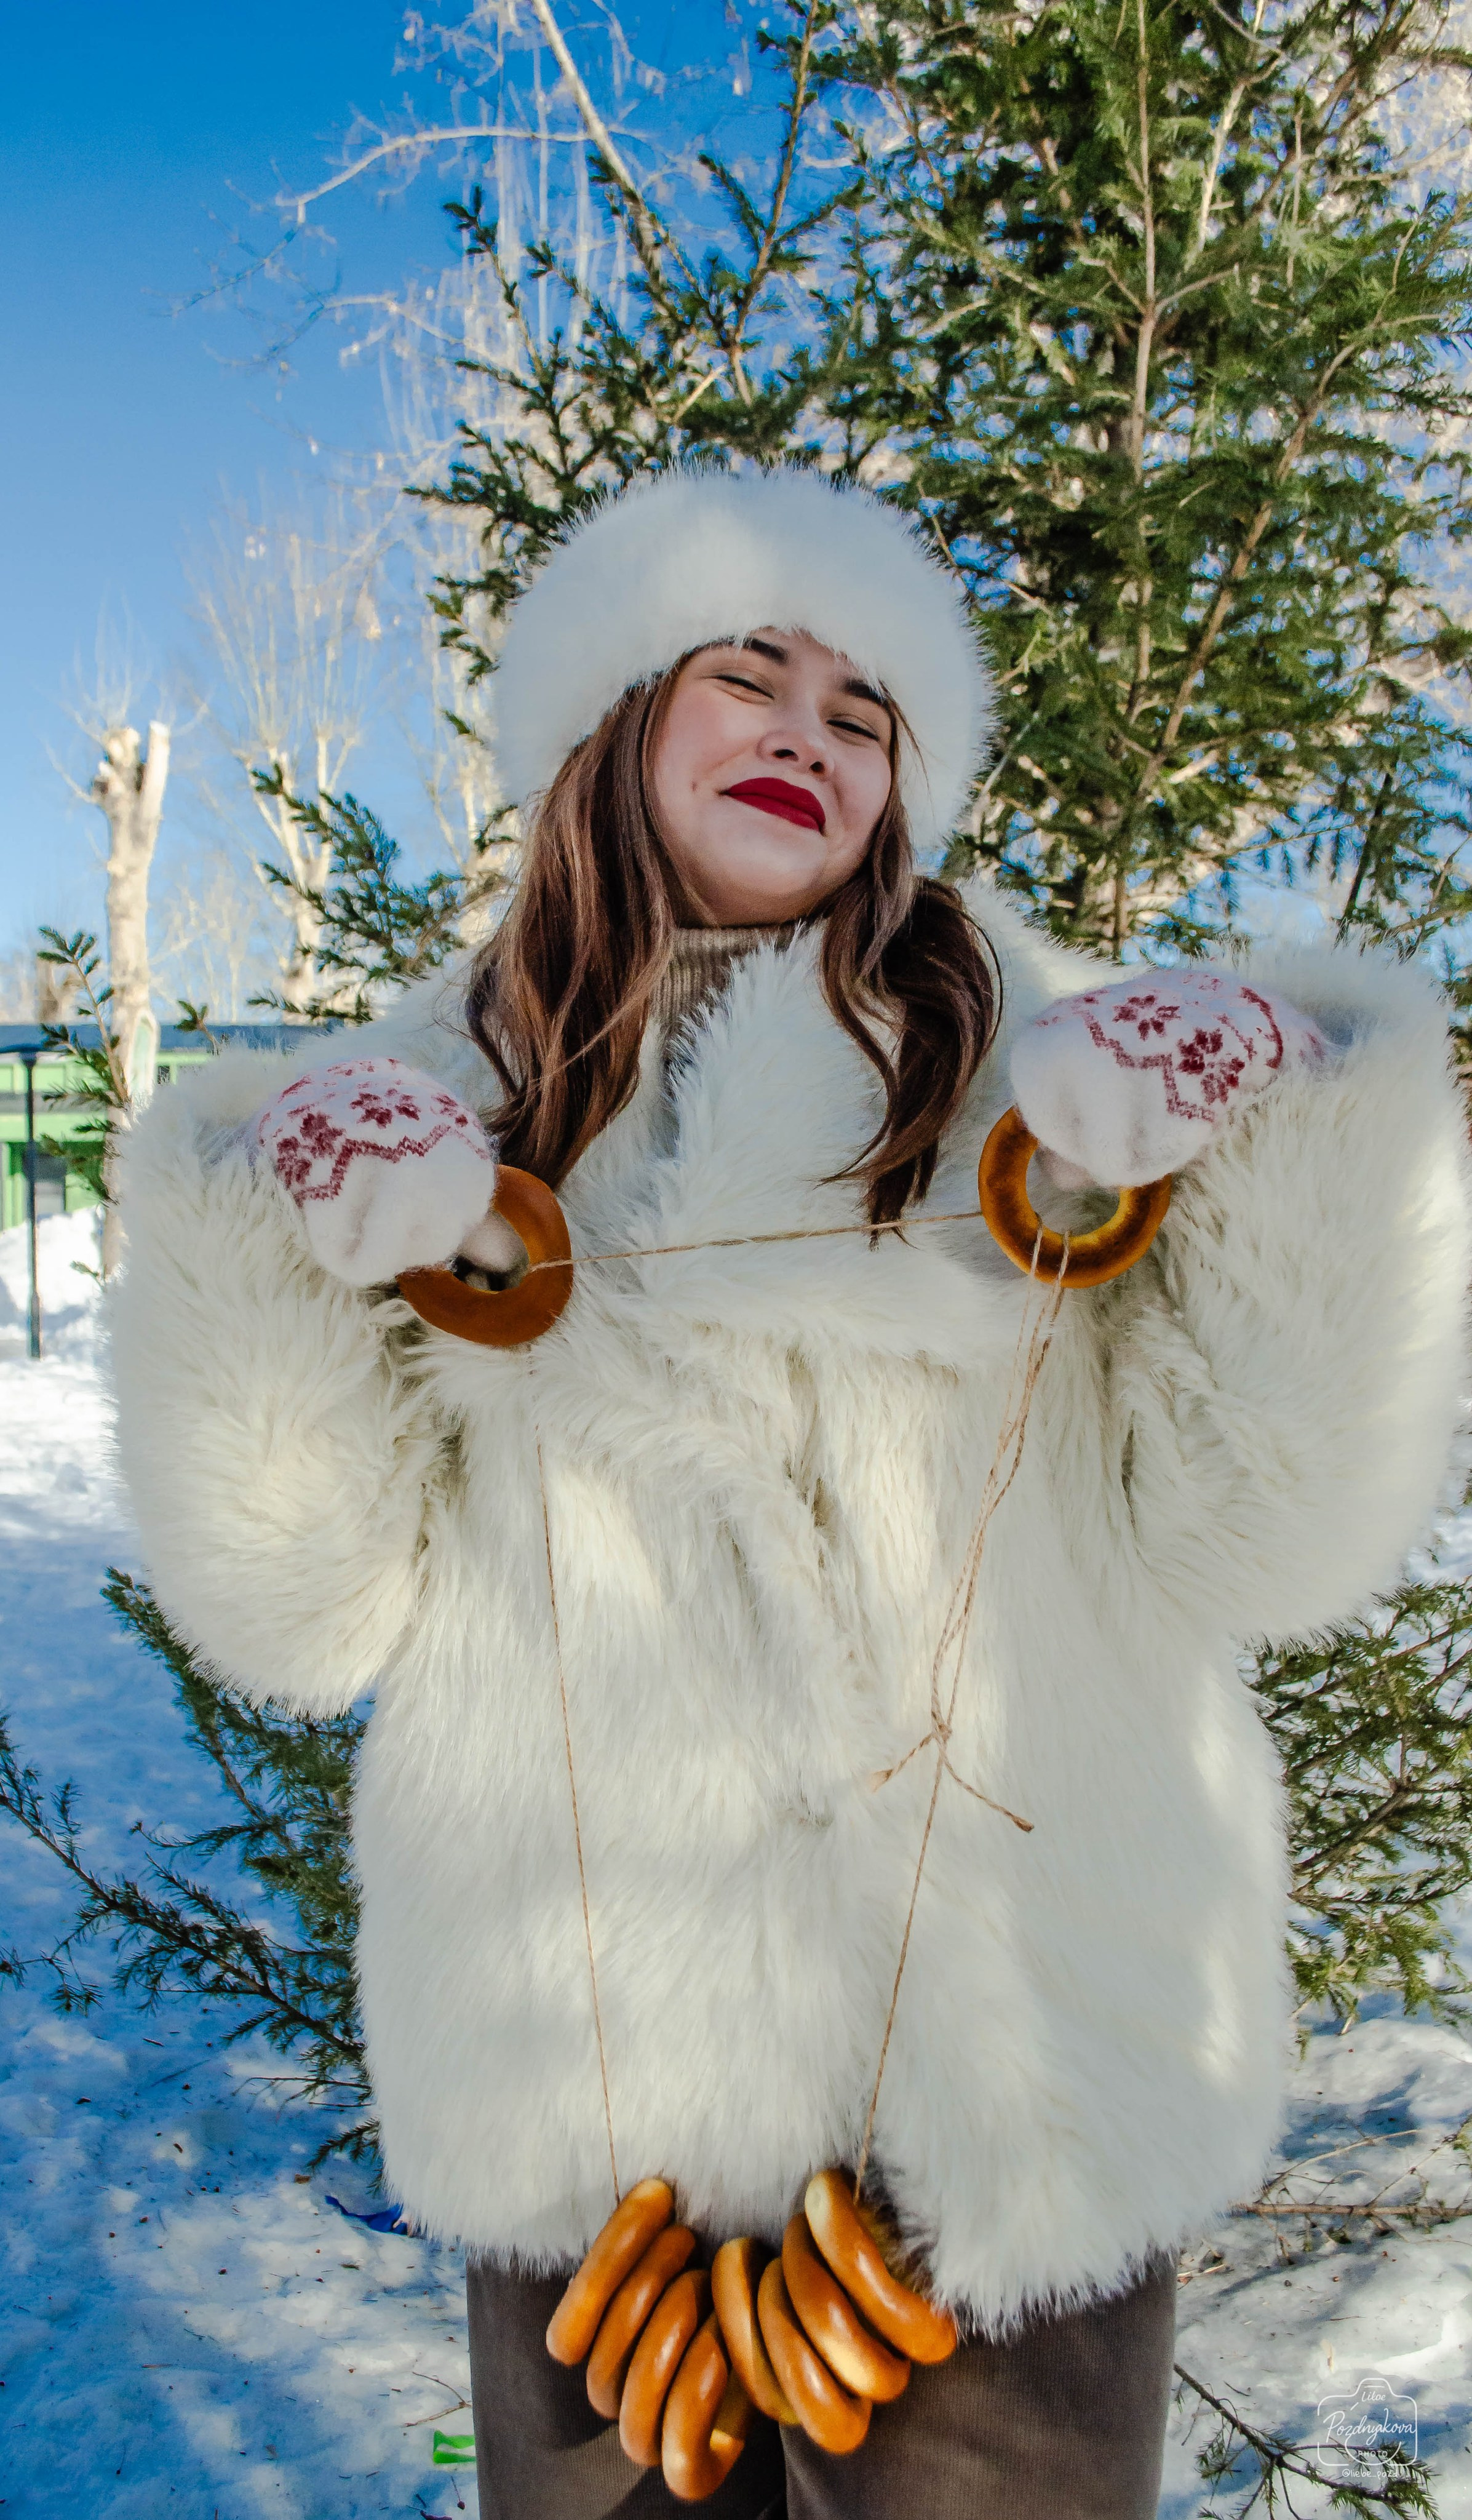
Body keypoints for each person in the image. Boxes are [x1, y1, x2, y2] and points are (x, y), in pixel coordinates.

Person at [109, 467, 1470, 2519]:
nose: (805, 734)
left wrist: (1293, 1115)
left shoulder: (1064, 1068)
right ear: (609, 721)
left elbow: (1259, 1527)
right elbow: (302, 1606)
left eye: (861, 712)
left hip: (1015, 2105)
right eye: (743, 677)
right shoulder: (427, 1108)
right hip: (584, 2124)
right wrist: (260, 1232)